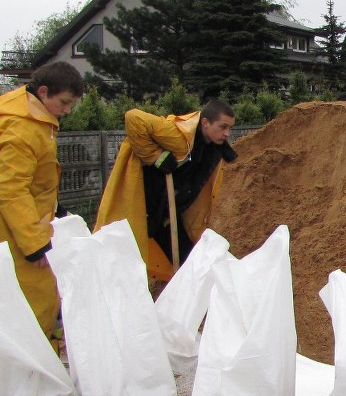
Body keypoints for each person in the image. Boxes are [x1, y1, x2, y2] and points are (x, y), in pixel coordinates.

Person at [0, 61, 84, 346]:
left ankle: (32, 369)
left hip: (19, 229)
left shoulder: (32, 120)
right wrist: (36, 245)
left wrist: (55, 208)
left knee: (24, 305)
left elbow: (33, 178)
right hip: (14, 237)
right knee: (24, 306)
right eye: (64, 102)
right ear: (43, 92)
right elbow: (10, 190)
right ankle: (27, 374)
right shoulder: (22, 126)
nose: (67, 110)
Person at [94, 99, 238, 281]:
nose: (227, 133)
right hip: (143, 206)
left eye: (230, 128)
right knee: (123, 263)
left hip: (168, 213)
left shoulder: (211, 150)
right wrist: (157, 157)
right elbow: (133, 117)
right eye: (223, 127)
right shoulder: (178, 136)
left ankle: (188, 300)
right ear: (205, 123)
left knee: (189, 258)